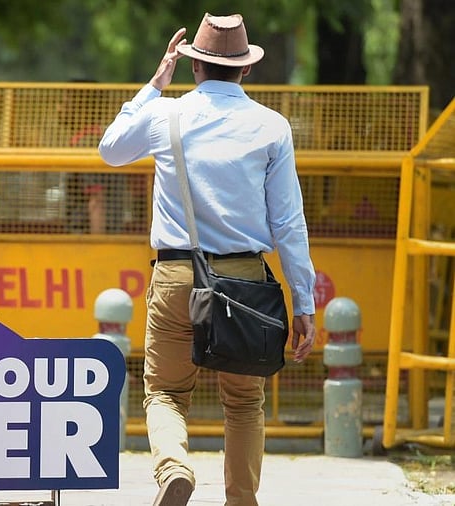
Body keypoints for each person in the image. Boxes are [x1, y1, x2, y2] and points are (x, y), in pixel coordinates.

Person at [98, 13, 317, 506]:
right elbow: (288, 223)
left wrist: (154, 85)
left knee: (166, 393)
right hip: (246, 283)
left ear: (193, 67)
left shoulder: (164, 117)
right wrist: (303, 302)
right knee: (243, 403)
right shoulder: (272, 127)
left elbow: (110, 150)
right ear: (245, 70)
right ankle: (241, 501)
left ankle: (174, 468)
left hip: (177, 276)